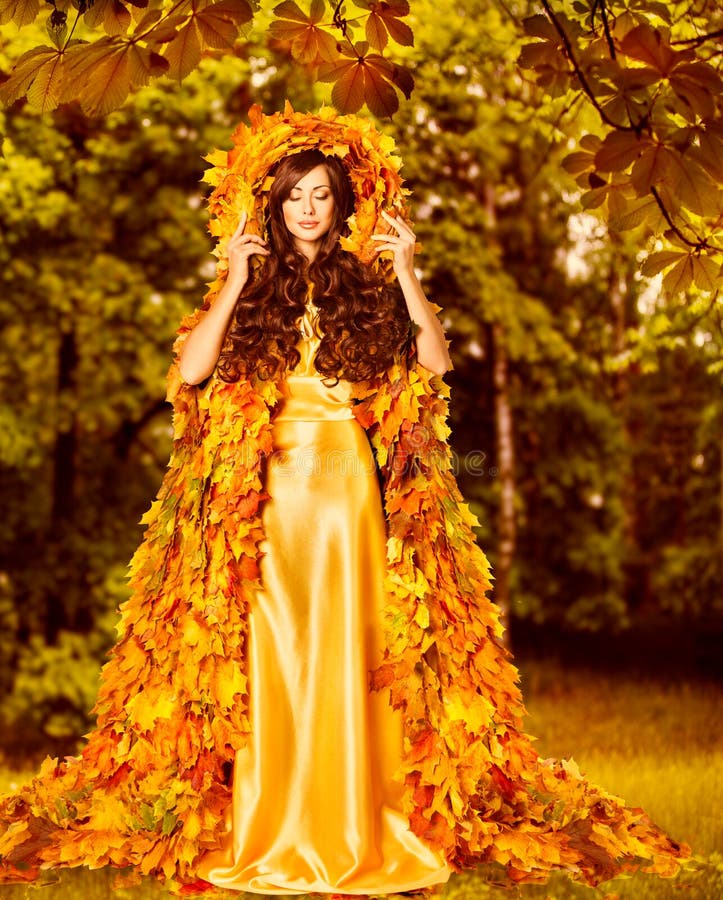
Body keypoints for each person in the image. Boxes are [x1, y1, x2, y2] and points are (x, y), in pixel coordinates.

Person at [0, 105, 694, 898]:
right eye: (293, 193)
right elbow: (190, 373)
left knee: (344, 653)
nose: (305, 206)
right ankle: (276, 820)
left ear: (340, 204)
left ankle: (353, 820)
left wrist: (405, 271)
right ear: (272, 203)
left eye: (321, 194)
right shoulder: (249, 291)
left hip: (344, 501)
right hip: (265, 500)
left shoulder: (366, 288)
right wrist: (232, 278)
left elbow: (433, 361)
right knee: (273, 656)